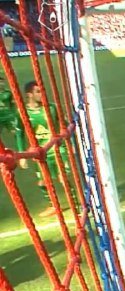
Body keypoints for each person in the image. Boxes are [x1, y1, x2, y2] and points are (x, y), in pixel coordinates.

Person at [15, 81, 70, 217]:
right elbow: (19, 134)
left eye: (43, 91)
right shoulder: (22, 112)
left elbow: (65, 126)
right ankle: (54, 206)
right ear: (29, 95)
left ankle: (76, 207)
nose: (42, 94)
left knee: (63, 178)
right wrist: (22, 155)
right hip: (40, 152)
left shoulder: (52, 108)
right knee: (43, 182)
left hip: (57, 149)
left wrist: (69, 144)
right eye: (38, 92)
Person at [0, 76, 17, 147]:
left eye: (2, 82)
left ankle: (21, 149)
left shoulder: (8, 92)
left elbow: (13, 104)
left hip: (8, 116)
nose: (1, 84)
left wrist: (14, 113)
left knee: (16, 132)